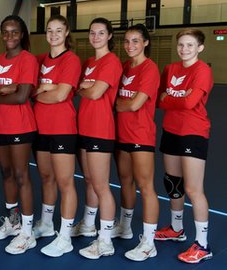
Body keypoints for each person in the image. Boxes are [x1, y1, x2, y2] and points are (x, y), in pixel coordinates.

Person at [155, 29, 213, 264]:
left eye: (190, 45)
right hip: (171, 130)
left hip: (193, 132)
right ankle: (176, 229)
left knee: (193, 189)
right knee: (173, 182)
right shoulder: (170, 69)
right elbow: (159, 98)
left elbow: (190, 103)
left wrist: (171, 99)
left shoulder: (202, 70)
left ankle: (203, 244)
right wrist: (175, 99)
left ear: (200, 48)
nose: (184, 49)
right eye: (181, 45)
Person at [0, 15, 39, 255]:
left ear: (22, 34)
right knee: (6, 173)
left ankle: (27, 232)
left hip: (20, 126)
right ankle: (13, 220)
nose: (10, 36)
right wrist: (2, 89)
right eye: (5, 32)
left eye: (14, 32)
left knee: (21, 175)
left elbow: (21, 96)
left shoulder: (28, 60)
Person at [32, 15, 81, 257]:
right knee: (46, 178)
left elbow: (61, 95)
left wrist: (42, 91)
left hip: (62, 128)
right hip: (40, 128)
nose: (53, 35)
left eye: (58, 30)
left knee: (65, 182)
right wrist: (45, 88)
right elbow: (31, 87)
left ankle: (65, 236)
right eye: (50, 30)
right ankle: (47, 224)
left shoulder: (71, 60)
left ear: (66, 32)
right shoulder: (40, 60)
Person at [74, 17, 122, 260]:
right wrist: (85, 85)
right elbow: (79, 88)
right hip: (83, 127)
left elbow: (94, 92)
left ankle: (105, 241)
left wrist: (85, 86)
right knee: (89, 180)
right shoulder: (90, 62)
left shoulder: (111, 61)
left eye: (101, 33)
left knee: (102, 185)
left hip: (100, 130)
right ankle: (88, 224)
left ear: (109, 35)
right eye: (92, 32)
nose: (95, 37)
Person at [113, 24, 160, 261]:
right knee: (125, 182)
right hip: (121, 135)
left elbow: (134, 104)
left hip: (141, 135)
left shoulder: (149, 68)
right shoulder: (124, 67)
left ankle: (149, 243)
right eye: (127, 41)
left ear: (145, 43)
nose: (130, 46)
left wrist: (116, 104)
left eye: (135, 41)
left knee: (146, 187)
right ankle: (124, 226)